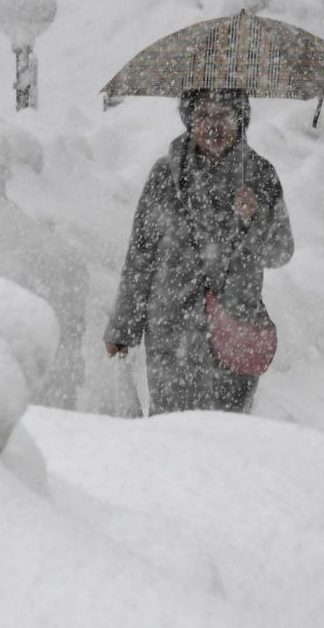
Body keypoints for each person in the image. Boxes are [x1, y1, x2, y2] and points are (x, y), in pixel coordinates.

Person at [103, 88, 294, 415]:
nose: (213, 125)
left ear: (241, 118)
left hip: (234, 326)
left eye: (223, 115)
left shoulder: (261, 175)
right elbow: (141, 255)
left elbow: (281, 252)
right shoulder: (165, 175)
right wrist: (123, 328)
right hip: (171, 331)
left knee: (227, 437)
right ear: (188, 119)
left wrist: (256, 217)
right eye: (203, 115)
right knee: (171, 434)